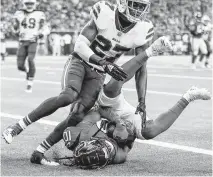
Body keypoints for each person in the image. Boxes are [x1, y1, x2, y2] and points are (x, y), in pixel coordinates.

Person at [3, 0, 169, 163]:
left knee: (77, 115)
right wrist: (103, 62)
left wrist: (142, 102)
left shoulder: (142, 29)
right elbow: (80, 46)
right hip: (80, 62)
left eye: (142, 6)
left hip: (99, 74)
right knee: (67, 96)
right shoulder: (105, 13)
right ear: (123, 3)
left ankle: (39, 152)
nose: (139, 10)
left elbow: (141, 67)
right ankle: (17, 127)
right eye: (136, 4)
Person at [59, 83, 211, 169]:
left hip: (106, 109)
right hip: (122, 124)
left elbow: (99, 110)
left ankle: (107, 69)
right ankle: (189, 96)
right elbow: (128, 145)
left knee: (107, 93)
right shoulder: (118, 156)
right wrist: (126, 131)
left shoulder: (80, 134)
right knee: (149, 131)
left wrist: (117, 121)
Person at [13, 0, 48, 92]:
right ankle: (28, 73)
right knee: (20, 66)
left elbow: (45, 28)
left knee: (31, 60)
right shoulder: (18, 13)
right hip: (22, 41)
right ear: (24, 4)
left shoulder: (39, 14)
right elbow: (15, 28)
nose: (29, 5)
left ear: (35, 4)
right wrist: (15, 30)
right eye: (27, 3)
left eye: (31, 3)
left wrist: (40, 34)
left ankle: (29, 83)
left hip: (32, 41)